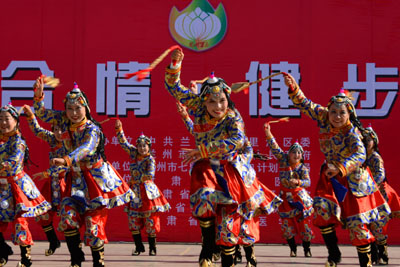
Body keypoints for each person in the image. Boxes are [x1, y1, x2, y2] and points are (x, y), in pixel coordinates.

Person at [165, 49, 282, 267]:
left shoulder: (233, 117)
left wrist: (202, 150)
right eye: (212, 102)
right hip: (207, 167)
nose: (218, 107)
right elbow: (174, 88)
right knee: (203, 198)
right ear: (204, 101)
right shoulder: (197, 105)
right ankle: (208, 245)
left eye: (222, 101)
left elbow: (237, 141)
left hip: (230, 169)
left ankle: (231, 253)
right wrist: (175, 64)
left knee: (230, 223)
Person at [284, 74, 391, 267]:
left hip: (354, 180)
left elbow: (360, 155)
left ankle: (366, 262)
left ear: (349, 114)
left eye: (342, 112)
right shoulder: (324, 118)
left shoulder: (352, 132)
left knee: (357, 225)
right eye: (334, 112)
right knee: (323, 211)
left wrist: (341, 168)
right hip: (330, 178)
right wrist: (293, 88)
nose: (337, 116)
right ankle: (333, 254)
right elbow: (306, 105)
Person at [33, 77, 134, 267]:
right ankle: (76, 259)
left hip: (95, 182)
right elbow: (41, 113)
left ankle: (98, 262)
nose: (73, 113)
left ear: (86, 108)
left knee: (93, 226)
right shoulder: (63, 121)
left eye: (77, 108)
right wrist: (38, 96)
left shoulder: (92, 130)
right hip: (75, 181)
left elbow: (86, 148)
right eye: (69, 109)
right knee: (67, 215)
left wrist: (66, 159)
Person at [0, 103, 51, 267]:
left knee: (20, 222)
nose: (3, 123)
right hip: (1, 187)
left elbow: (14, 161)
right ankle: (2, 252)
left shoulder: (18, 142)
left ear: (15, 121)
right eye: (0, 119)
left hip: (16, 187)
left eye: (7, 119)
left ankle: (25, 258)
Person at [114, 119, 170, 256]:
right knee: (133, 221)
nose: (142, 148)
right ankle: (139, 247)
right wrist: (119, 130)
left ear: (149, 147)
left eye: (145, 146)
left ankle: (152, 248)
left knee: (150, 221)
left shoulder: (150, 159)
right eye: (140, 146)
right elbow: (124, 144)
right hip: (134, 192)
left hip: (147, 193)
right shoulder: (133, 153)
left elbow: (150, 175)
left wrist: (137, 179)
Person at [23, 104, 68, 257]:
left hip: (67, 183)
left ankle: (75, 249)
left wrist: (47, 173)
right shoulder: (52, 139)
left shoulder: (71, 143)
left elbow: (68, 166)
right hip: (52, 184)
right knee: (43, 214)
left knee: (69, 216)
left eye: (62, 129)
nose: (59, 133)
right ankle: (53, 241)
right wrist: (30, 116)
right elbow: (37, 130)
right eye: (56, 129)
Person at [264, 123, 314, 257]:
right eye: (294, 152)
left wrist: (298, 181)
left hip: (299, 199)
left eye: (299, 152)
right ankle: (293, 249)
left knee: (305, 227)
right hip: (285, 199)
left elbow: (308, 182)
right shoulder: (283, 161)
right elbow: (275, 148)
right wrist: (268, 134)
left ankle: (307, 249)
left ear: (302, 156)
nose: (296, 154)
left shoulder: (303, 168)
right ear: (289, 154)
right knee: (287, 227)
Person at [362, 124, 400, 265]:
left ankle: (382, 255)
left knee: (378, 226)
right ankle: (374, 256)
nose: (366, 143)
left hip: (379, 194)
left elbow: (380, 175)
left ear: (374, 142)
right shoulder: (360, 159)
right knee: (367, 226)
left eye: (368, 140)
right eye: (363, 140)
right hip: (366, 195)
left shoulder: (375, 157)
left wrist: (368, 187)